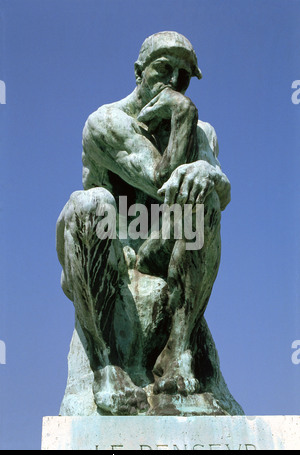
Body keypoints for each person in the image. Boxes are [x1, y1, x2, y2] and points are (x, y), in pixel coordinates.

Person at [56, 31, 231, 415]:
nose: (173, 83)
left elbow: (222, 188)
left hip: (160, 249)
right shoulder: (105, 121)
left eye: (183, 77)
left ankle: (178, 354)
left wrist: (207, 172)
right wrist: (183, 114)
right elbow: (158, 177)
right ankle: (107, 364)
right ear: (139, 72)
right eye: (163, 70)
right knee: (88, 203)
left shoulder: (203, 133)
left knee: (204, 202)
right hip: (109, 252)